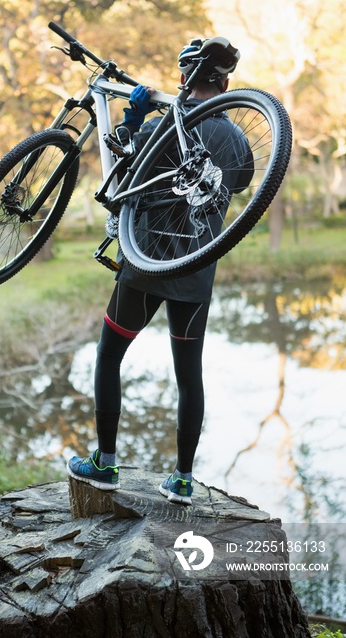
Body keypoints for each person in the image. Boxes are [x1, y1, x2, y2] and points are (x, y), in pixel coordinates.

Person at [67, 37, 254, 504]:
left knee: (110, 355)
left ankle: (104, 463)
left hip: (145, 263)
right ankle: (184, 479)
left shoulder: (162, 124)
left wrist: (132, 119)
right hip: (196, 271)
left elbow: (124, 169)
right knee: (190, 376)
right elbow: (247, 180)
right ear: (226, 82)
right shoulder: (238, 139)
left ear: (183, 78)